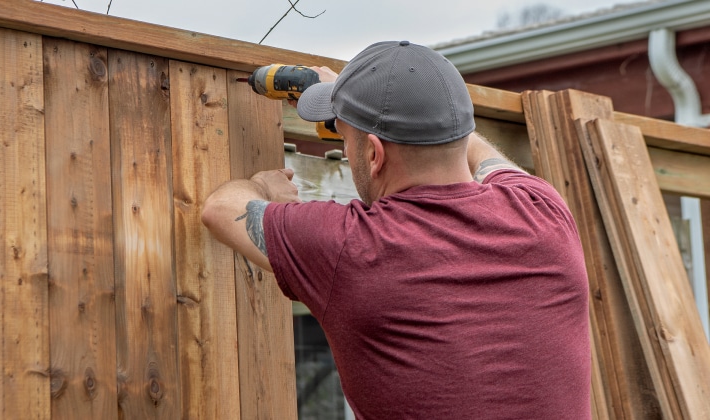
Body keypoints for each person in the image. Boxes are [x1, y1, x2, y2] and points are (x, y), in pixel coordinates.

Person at [201, 41, 590, 419]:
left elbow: (220, 209)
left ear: (374, 154)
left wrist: (266, 188)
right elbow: (478, 152)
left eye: (351, 141)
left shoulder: (352, 247)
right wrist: (369, 108)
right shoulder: (543, 209)